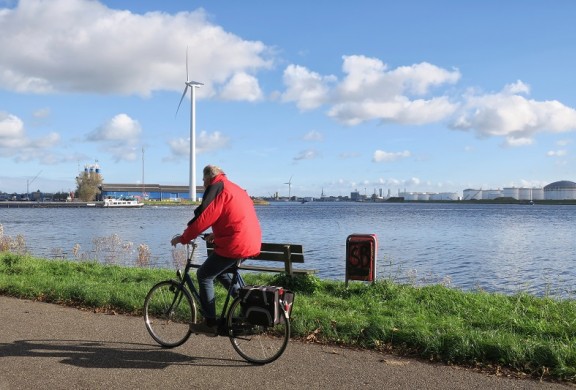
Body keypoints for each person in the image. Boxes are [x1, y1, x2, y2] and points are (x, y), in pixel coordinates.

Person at [171, 165, 262, 335]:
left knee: (204, 275)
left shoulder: (217, 188)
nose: (203, 185)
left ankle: (210, 323)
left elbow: (203, 219)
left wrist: (183, 238)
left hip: (236, 243)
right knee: (220, 272)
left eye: (203, 181)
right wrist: (215, 234)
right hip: (251, 241)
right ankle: (245, 306)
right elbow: (234, 216)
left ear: (208, 178)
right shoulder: (235, 188)